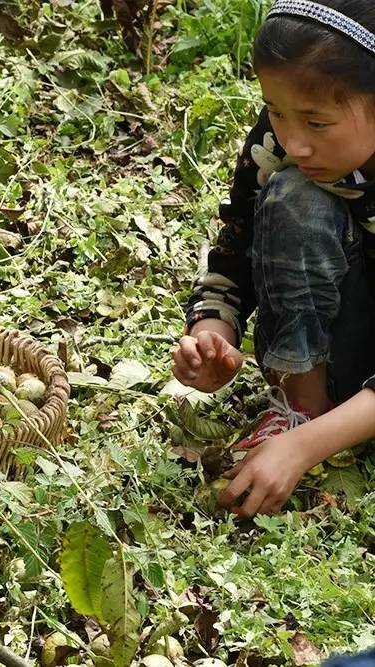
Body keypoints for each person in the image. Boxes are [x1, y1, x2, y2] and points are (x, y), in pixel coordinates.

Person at [174, 0, 375, 519]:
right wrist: (212, 332)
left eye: (316, 121)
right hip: (334, 340)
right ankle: (298, 408)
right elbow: (235, 243)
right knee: (292, 197)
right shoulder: (278, 143)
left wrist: (305, 451)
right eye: (277, 111)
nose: (294, 141)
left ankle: (317, 432)